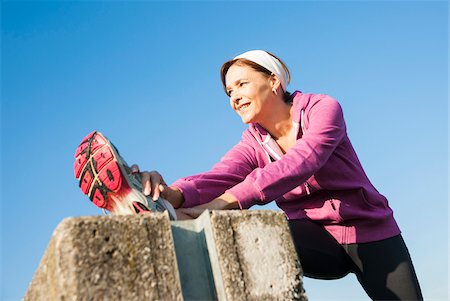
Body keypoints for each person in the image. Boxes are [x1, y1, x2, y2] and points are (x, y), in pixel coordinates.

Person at [134, 50, 423, 300]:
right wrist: (172, 194)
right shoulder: (252, 143)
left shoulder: (322, 108)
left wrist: (222, 204)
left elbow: (304, 160)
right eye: (229, 92)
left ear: (273, 81)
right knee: (253, 231)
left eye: (241, 84)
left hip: (373, 233)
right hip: (315, 239)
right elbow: (219, 176)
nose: (234, 96)